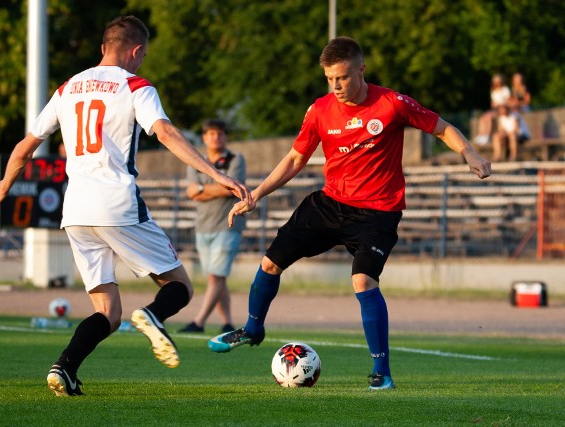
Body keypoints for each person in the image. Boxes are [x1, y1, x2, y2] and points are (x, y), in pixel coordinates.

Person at [207, 36, 491, 390]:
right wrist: (257, 194)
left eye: (341, 77)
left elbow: (442, 128)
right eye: (329, 78)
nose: (336, 86)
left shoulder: (391, 103)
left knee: (362, 281)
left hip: (377, 213)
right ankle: (251, 329)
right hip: (329, 204)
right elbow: (296, 158)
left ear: (361, 69)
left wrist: (470, 154)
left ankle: (381, 372)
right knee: (269, 263)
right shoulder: (320, 110)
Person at [0, 15, 250, 397]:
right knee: (179, 287)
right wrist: (217, 174)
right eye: (142, 56)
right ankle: (152, 315)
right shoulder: (136, 86)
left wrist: (3, 185)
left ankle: (64, 368)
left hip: (75, 212)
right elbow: (165, 132)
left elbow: (26, 146)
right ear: (137, 51)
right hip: (117, 205)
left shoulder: (68, 88)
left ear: (101, 48)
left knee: (107, 313)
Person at [178, 119, 246, 334]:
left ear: (225, 137)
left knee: (216, 276)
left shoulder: (236, 159)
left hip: (228, 225)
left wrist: (201, 189)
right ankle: (227, 323)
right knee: (215, 277)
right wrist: (215, 186)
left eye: (220, 133)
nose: (216, 137)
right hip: (203, 226)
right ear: (205, 137)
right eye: (212, 134)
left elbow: (231, 189)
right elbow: (190, 192)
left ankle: (198, 322)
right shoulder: (196, 160)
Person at [474, 74, 511, 146]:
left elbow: (508, 101)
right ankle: (482, 135)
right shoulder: (493, 91)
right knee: (483, 117)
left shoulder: (505, 89)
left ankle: (487, 135)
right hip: (496, 109)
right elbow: (493, 104)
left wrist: (499, 104)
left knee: (489, 117)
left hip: (503, 109)